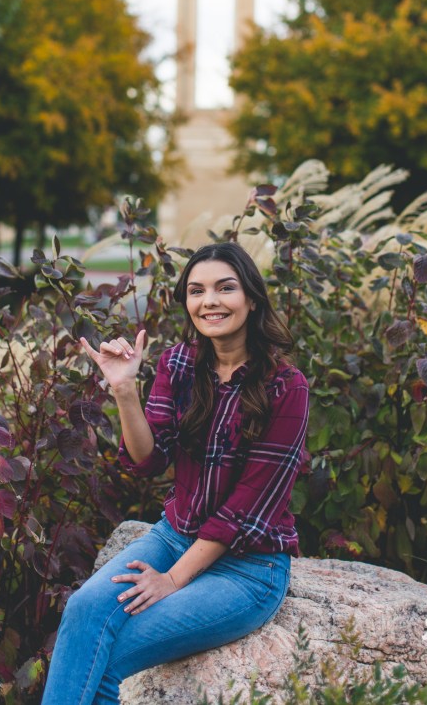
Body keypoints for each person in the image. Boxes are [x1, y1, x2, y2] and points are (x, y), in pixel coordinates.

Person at [41, 241, 309, 705]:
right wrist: (124, 390)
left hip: (249, 567)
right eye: (196, 290)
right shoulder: (179, 364)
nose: (210, 301)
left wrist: (172, 580)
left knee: (109, 658)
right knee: (84, 610)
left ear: (251, 297)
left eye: (225, 288)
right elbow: (148, 460)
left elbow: (242, 511)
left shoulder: (286, 387)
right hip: (174, 536)